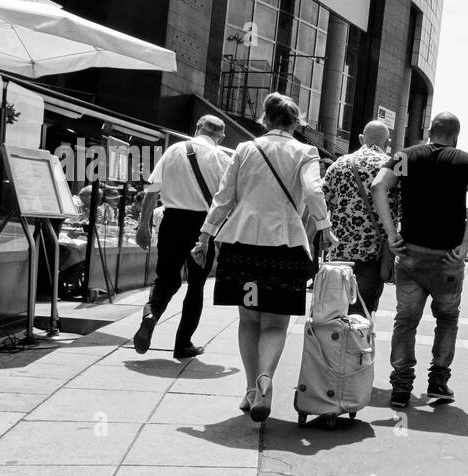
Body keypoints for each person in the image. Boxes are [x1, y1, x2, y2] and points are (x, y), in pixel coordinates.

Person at [192, 93, 336, 423]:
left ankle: (249, 388)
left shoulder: (245, 149)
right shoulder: (305, 152)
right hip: (284, 247)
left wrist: (205, 236)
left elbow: (223, 198)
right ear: (295, 122)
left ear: (265, 119)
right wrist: (324, 227)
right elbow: (314, 191)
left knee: (248, 320)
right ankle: (266, 380)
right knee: (275, 323)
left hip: (243, 246)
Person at [371, 111, 468, 410]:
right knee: (446, 319)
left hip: (410, 254)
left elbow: (378, 186)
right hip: (447, 258)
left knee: (406, 320)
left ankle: (401, 386)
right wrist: (465, 245)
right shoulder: (465, 161)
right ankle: (438, 382)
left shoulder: (407, 156)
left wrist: (391, 233)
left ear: (429, 131)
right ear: (455, 136)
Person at [133, 116, 230, 359]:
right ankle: (183, 343)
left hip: (171, 220)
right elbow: (227, 202)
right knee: (196, 286)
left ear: (196, 128)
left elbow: (151, 192)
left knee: (165, 278)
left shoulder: (174, 150)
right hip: (202, 227)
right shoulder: (221, 158)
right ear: (221, 136)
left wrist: (143, 225)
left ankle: (151, 314)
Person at [321, 120, 394, 311]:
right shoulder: (392, 168)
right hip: (373, 257)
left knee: (335, 317)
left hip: (339, 256)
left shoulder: (339, 164)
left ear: (361, 139)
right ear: (388, 143)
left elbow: (319, 202)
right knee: (362, 318)